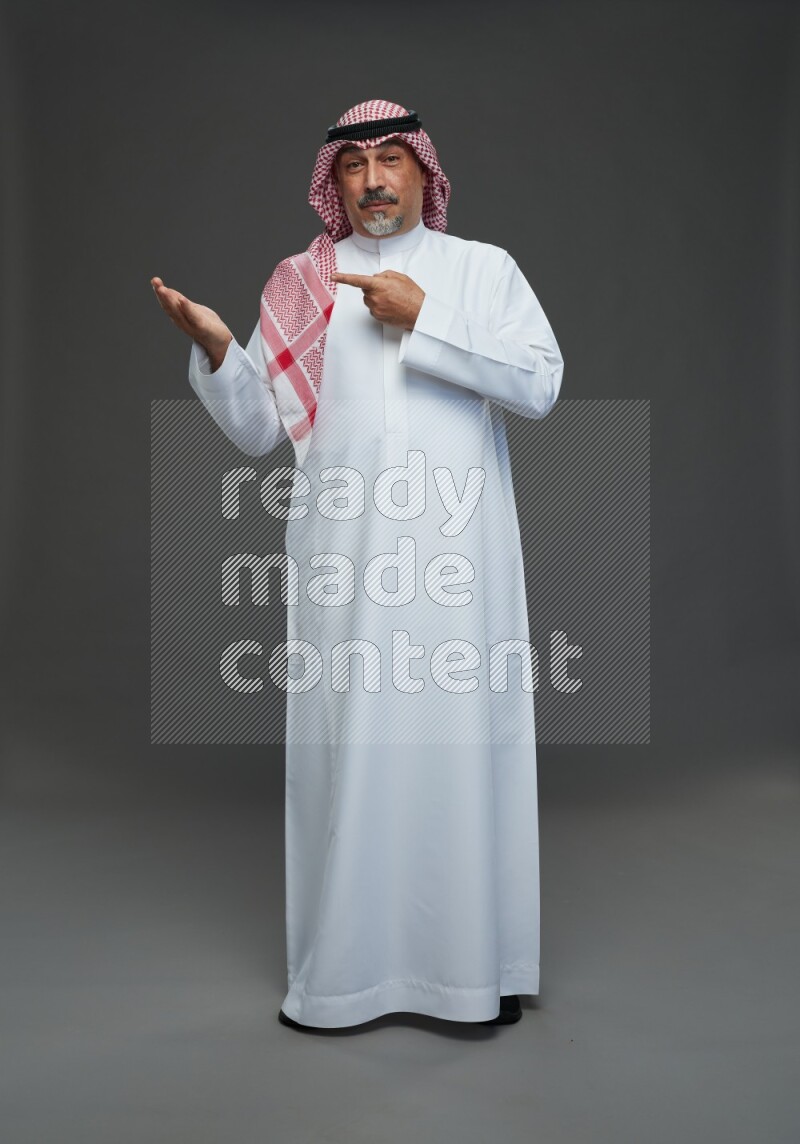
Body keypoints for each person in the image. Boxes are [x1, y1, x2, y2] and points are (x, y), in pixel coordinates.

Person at [151, 99, 564, 1031]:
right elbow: (260, 430)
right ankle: (345, 978)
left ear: (424, 170)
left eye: (390, 160)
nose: (374, 180)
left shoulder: (480, 272)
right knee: (350, 756)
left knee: (461, 751)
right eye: (353, 167)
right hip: (343, 568)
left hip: (461, 566)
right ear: (332, 182)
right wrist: (219, 349)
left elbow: (540, 384)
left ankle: (473, 974)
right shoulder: (303, 282)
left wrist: (427, 320)